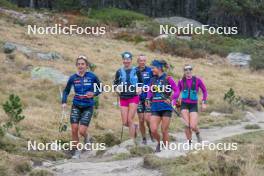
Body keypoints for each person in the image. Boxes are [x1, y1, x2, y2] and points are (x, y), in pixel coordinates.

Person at [62, 55, 101, 159]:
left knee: (82, 131)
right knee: (74, 129)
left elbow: (101, 88)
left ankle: (87, 137)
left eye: (82, 64)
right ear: (76, 65)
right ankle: (76, 152)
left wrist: (94, 93)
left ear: (86, 65)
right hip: (76, 105)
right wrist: (64, 102)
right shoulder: (73, 77)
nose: (80, 66)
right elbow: (66, 91)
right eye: (78, 64)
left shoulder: (92, 76)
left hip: (88, 106)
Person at [146, 59, 179, 152]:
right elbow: (149, 91)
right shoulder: (152, 79)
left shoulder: (168, 79)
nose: (152, 70)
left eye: (153, 68)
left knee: (164, 130)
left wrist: (171, 99)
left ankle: (167, 151)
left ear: (159, 68)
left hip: (166, 107)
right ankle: (159, 142)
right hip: (155, 107)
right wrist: (148, 98)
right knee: (153, 130)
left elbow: (177, 91)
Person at [113, 52, 143, 143]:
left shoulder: (136, 70)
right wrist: (117, 89)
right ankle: (135, 126)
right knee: (125, 122)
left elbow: (141, 82)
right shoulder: (119, 71)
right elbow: (115, 83)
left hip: (133, 97)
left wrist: (140, 89)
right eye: (125, 59)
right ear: (123, 60)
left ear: (131, 60)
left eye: (128, 59)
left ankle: (131, 142)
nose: (126, 61)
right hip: (123, 97)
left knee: (130, 119)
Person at [175, 64, 208, 145]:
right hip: (184, 104)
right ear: (184, 71)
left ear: (191, 70)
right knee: (187, 125)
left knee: (192, 126)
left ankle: (197, 133)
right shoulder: (181, 81)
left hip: (193, 105)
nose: (188, 71)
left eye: (189, 69)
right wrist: (174, 101)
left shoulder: (197, 80)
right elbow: (177, 92)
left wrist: (203, 102)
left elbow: (204, 91)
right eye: (186, 70)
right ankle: (189, 142)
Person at [136, 54, 154, 144]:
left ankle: (151, 131)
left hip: (148, 98)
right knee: (141, 119)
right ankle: (144, 138)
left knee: (148, 119)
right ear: (138, 61)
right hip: (138, 99)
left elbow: (153, 82)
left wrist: (145, 87)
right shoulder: (134, 71)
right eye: (140, 61)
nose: (142, 62)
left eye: (144, 60)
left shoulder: (150, 70)